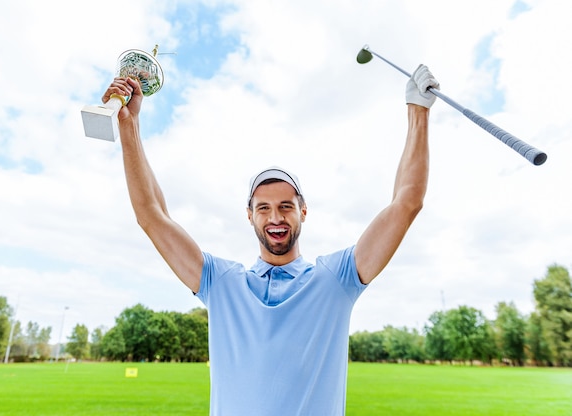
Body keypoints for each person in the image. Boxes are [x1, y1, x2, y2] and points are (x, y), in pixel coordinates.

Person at [103, 63, 439, 416]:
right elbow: (152, 215)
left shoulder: (336, 279)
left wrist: (418, 111)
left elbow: (406, 203)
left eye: (285, 207)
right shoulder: (220, 283)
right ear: (249, 215)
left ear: (303, 211)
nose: (275, 217)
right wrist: (129, 125)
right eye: (263, 208)